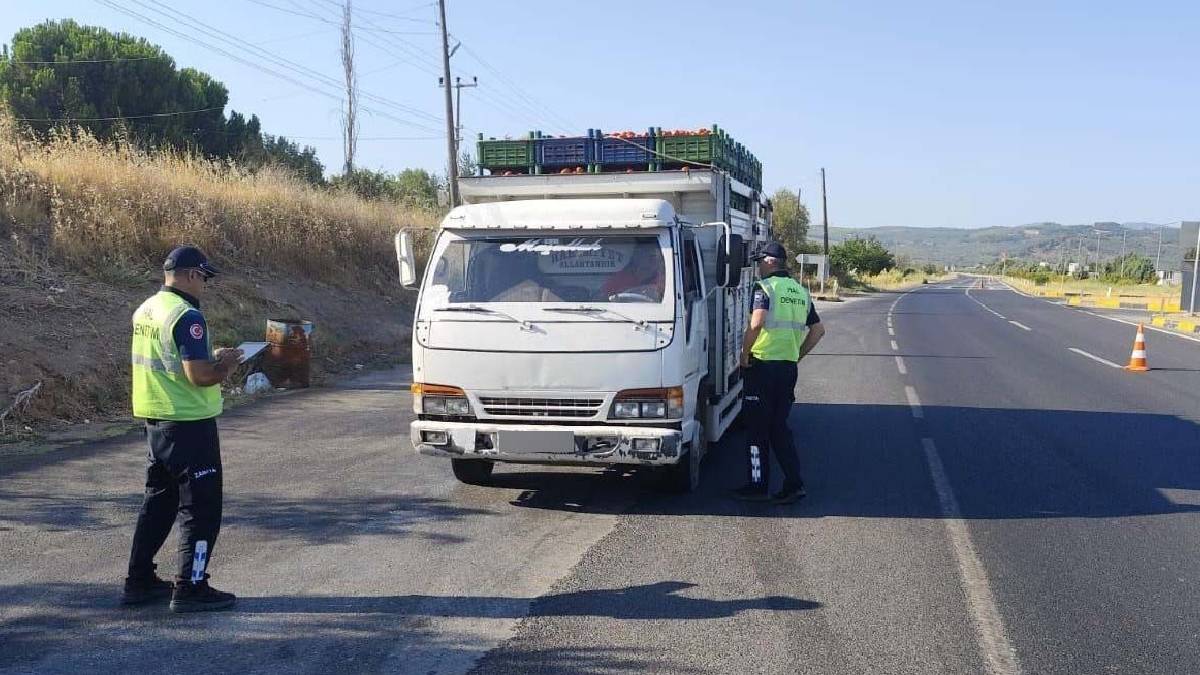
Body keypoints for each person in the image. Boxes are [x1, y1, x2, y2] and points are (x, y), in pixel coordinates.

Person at [122, 245, 242, 612]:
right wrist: (226, 366)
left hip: (156, 421)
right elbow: (200, 375)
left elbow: (169, 360)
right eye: (204, 278)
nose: (204, 285)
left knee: (158, 501)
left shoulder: (147, 308)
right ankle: (191, 585)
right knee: (201, 508)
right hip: (189, 424)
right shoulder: (187, 315)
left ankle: (138, 580)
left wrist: (210, 357)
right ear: (192, 275)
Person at [731, 242, 825, 504]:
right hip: (787, 369)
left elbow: (757, 321)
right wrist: (796, 355)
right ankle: (794, 484)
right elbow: (818, 331)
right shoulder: (800, 292)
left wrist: (743, 353)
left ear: (770, 262)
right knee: (779, 428)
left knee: (756, 430)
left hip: (761, 367)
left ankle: (757, 486)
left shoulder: (764, 288)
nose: (758, 267)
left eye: (760, 262)